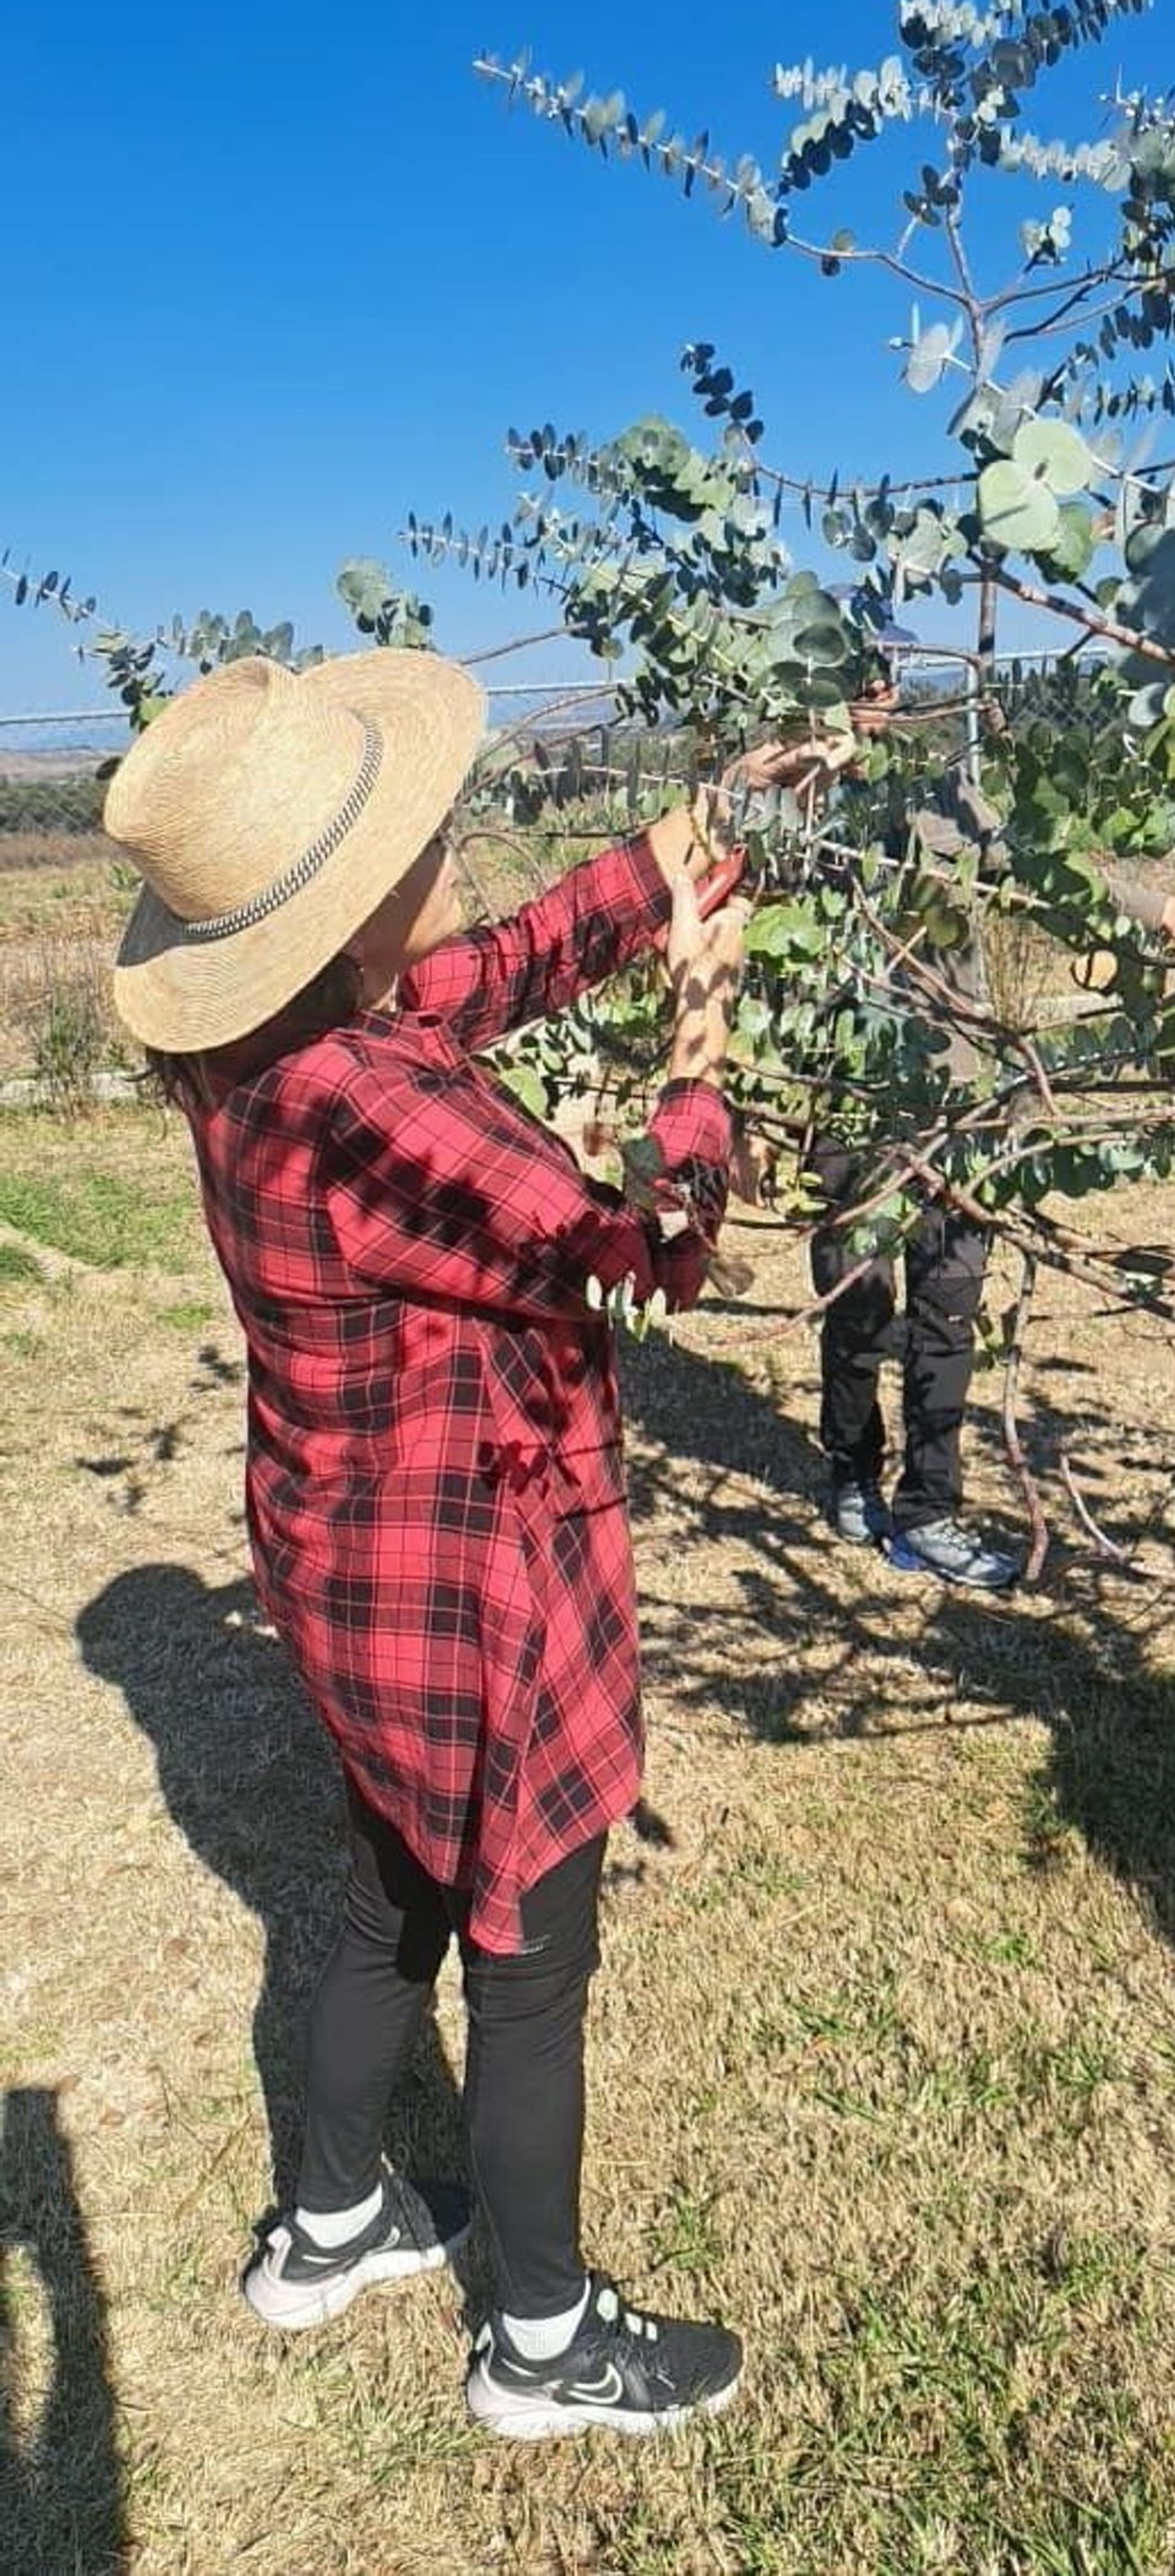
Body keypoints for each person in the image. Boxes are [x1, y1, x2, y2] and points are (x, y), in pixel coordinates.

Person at [102, 646, 811, 2442]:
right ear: (344, 906)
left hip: (344, 1570)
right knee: (529, 1957)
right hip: (473, 1584)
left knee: (387, 1890)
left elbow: (489, 972)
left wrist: (675, 858)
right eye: (419, 831)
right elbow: (648, 1246)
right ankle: (545, 2341)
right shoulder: (375, 1102)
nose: (449, 848)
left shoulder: (275, 1047)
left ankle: (329, 2224)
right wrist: (701, 1030)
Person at [811, 718, 1175, 1588]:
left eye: (885, 680)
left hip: (961, 1097)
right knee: (857, 1298)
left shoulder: (943, 793)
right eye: (854, 686)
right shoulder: (792, 800)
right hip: (849, 1097)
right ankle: (851, 1472)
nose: (875, 703)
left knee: (950, 1302)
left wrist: (1160, 910)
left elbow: (1047, 873)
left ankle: (930, 1510)